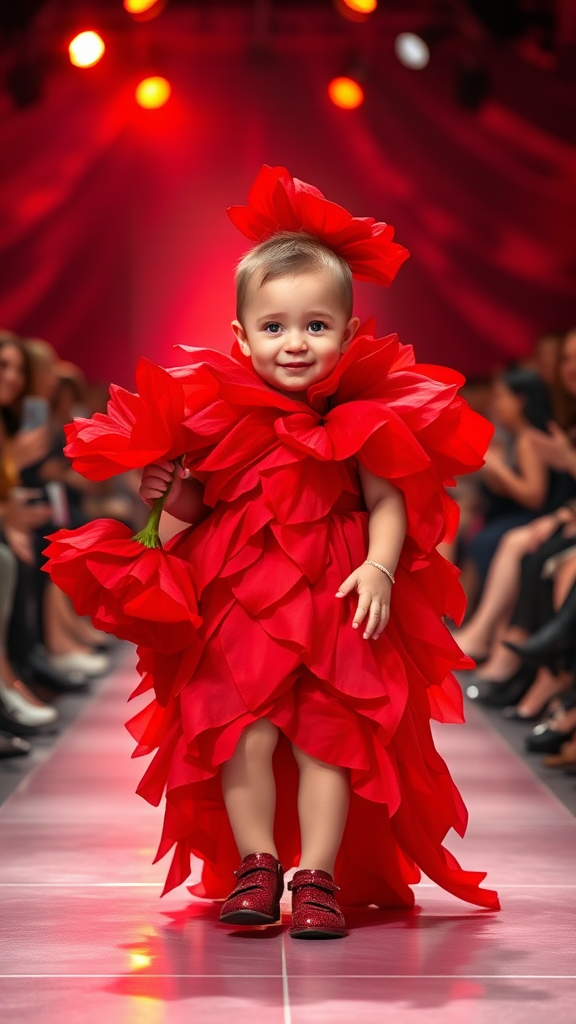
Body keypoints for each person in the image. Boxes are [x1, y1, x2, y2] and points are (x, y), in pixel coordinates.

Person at [48, 166, 500, 937]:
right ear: (242, 336)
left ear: (349, 334)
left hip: (335, 592)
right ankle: (255, 864)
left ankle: (315, 873)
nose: (296, 343)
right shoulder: (216, 413)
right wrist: (166, 489)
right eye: (276, 327)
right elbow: (204, 503)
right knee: (241, 730)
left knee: (330, 735)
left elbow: (389, 500)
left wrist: (380, 567)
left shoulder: (361, 413)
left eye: (317, 326)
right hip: (239, 594)